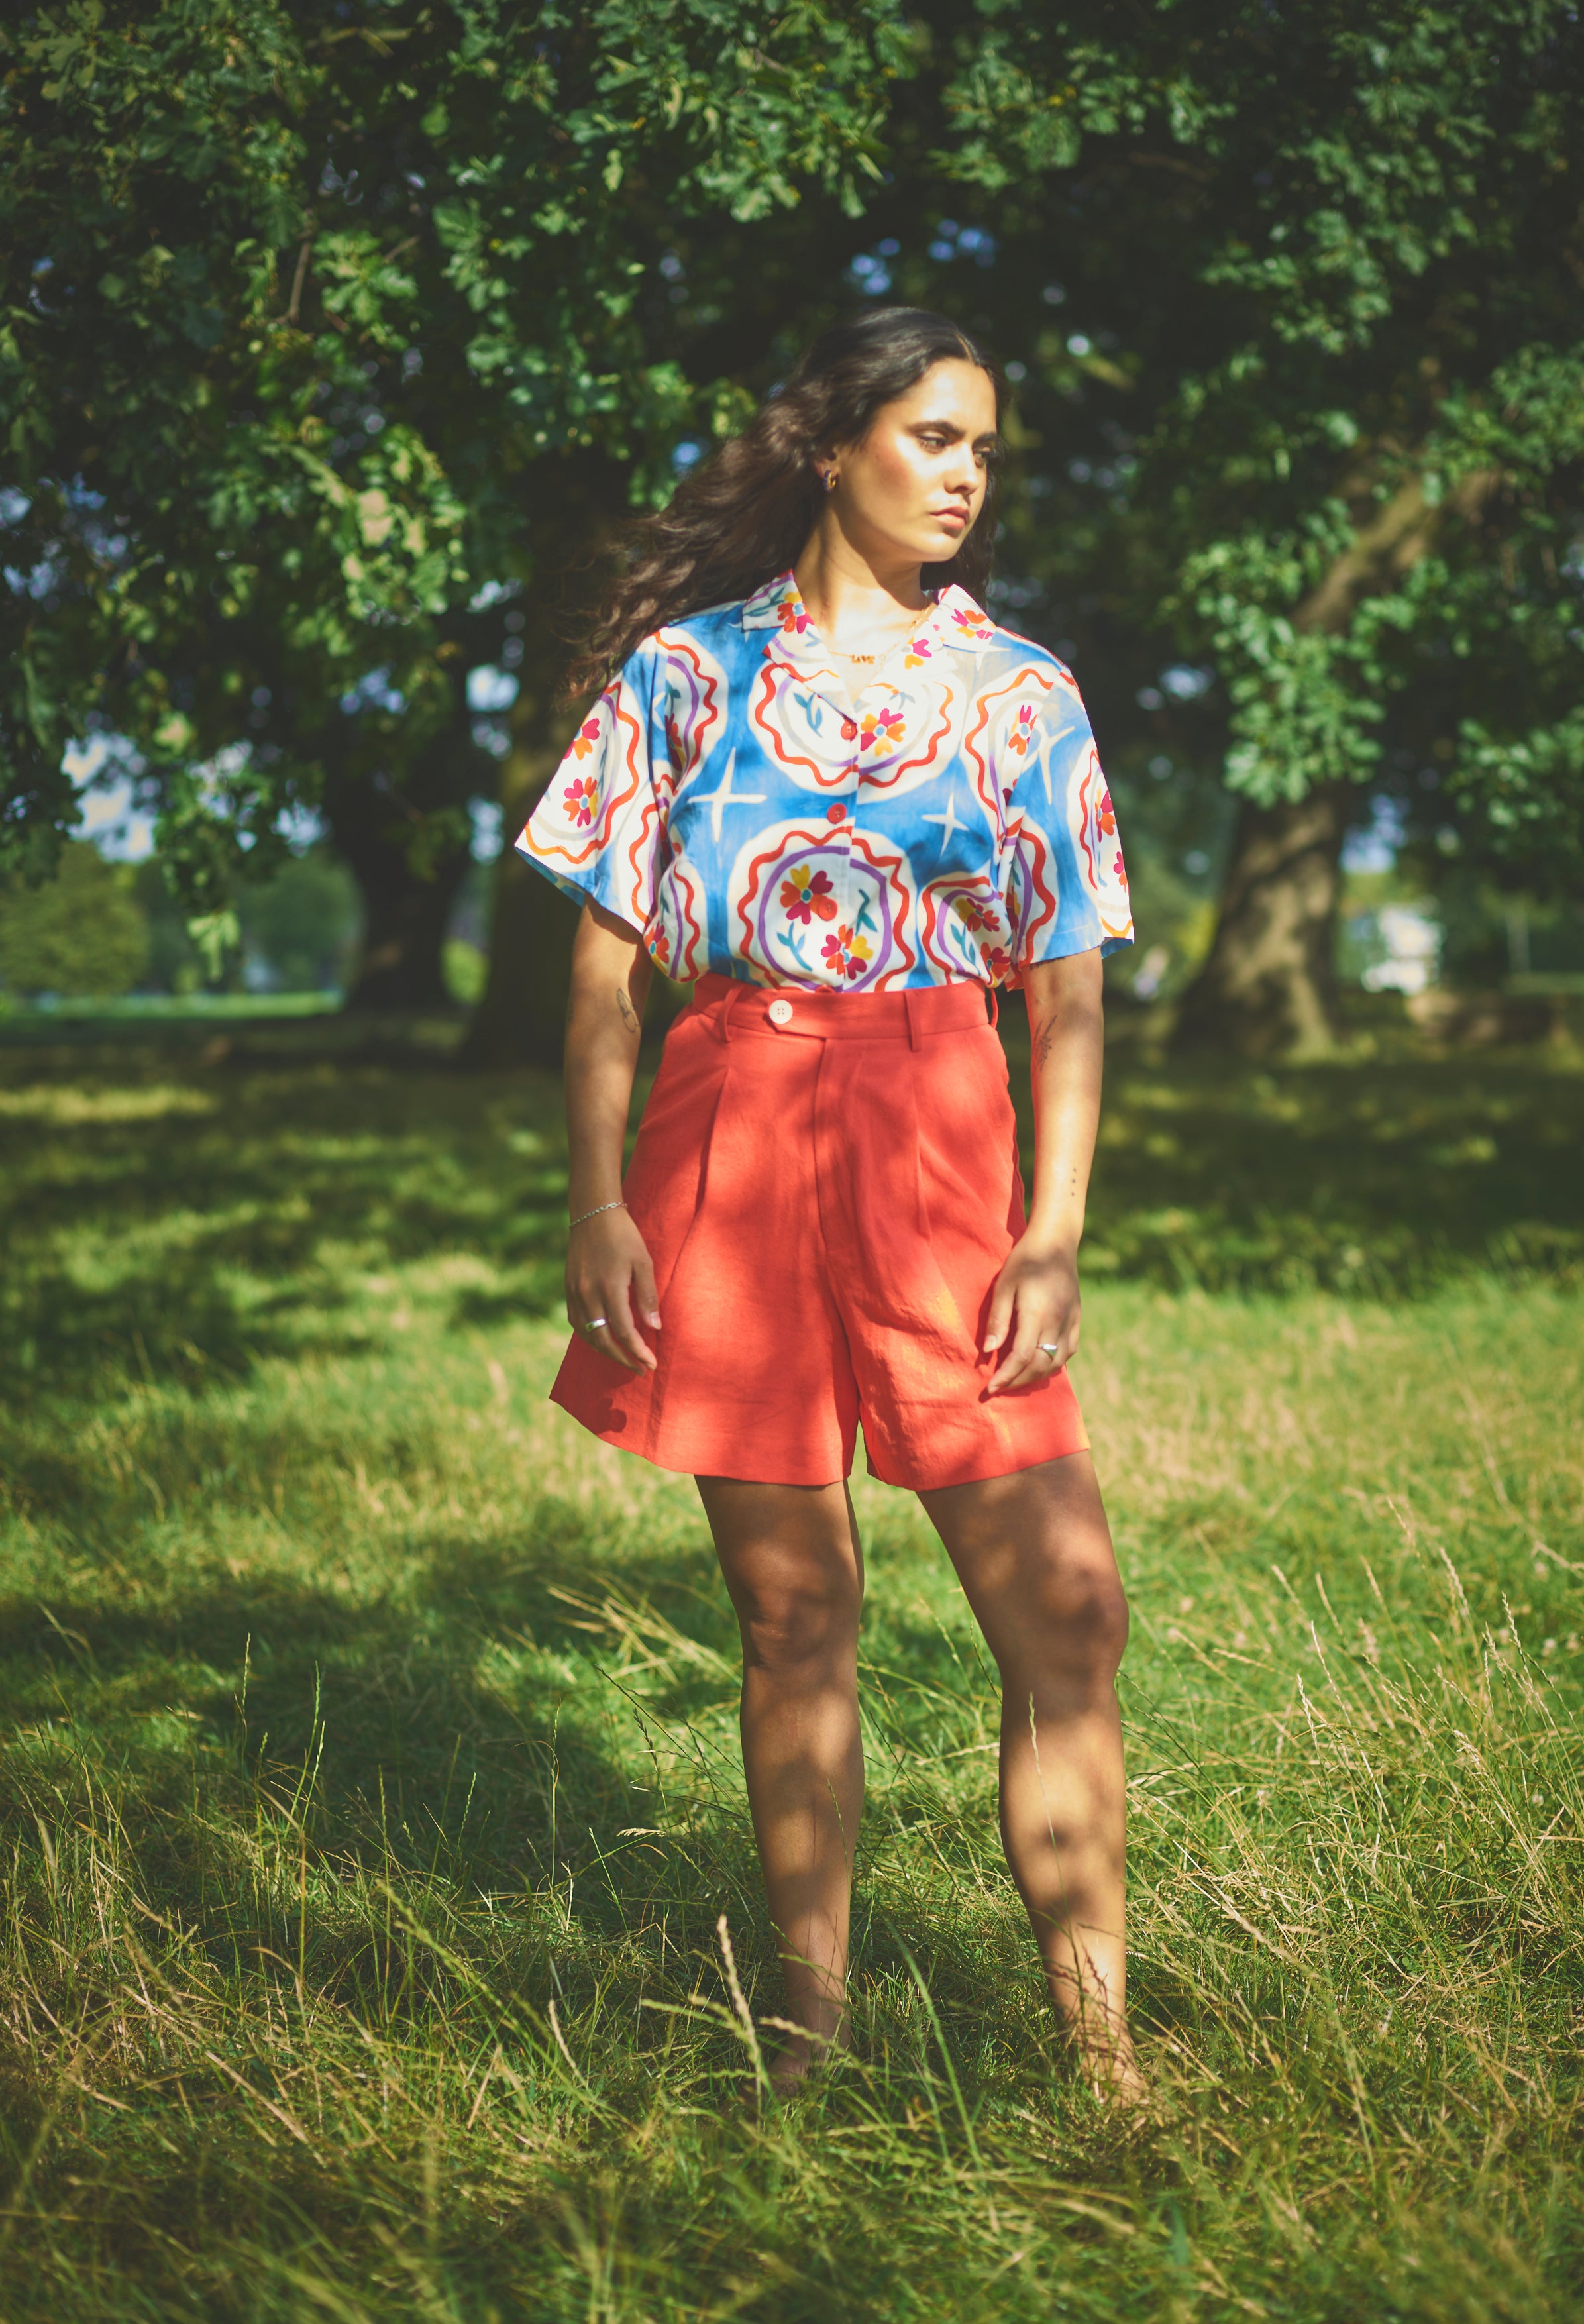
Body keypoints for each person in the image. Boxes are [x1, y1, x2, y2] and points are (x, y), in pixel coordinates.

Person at [515, 307, 1142, 2103]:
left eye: (985, 448)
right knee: (793, 1612)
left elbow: (1068, 998)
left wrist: (1052, 1231)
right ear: (829, 445)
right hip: (728, 1130)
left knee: (1068, 1612)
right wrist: (598, 1204)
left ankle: (1106, 2061)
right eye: (935, 436)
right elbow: (605, 978)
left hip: (941, 1136)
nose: (967, 476)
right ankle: (807, 2040)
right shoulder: (684, 675)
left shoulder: (1019, 693)